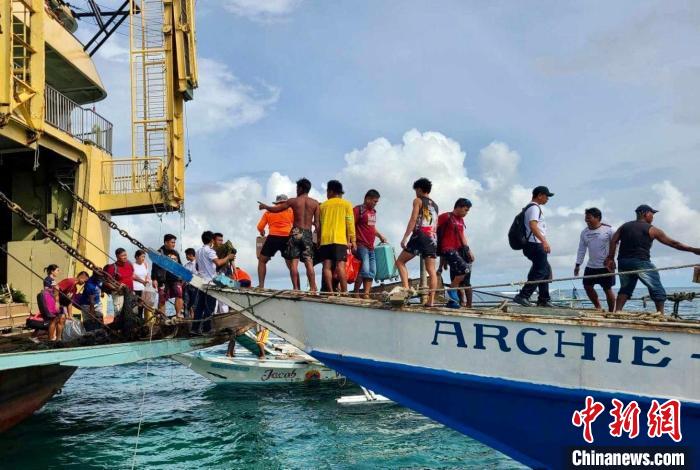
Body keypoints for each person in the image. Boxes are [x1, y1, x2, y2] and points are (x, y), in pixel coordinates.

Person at [606, 204, 700, 313]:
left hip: (623, 262)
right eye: (652, 214)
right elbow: (674, 243)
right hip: (641, 262)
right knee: (656, 286)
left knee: (625, 288)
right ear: (645, 214)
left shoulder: (624, 226)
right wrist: (693, 250)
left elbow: (613, 241)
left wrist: (610, 258)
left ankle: (617, 311)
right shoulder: (652, 229)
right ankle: (660, 313)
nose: (653, 217)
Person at [259, 178, 320, 292]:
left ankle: (296, 288)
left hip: (295, 232)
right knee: (308, 262)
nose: (296, 190)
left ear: (300, 188)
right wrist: (319, 239)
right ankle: (313, 288)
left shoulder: (293, 201)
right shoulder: (315, 203)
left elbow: (277, 209)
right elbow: (317, 224)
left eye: (297, 188)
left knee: (294, 262)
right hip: (307, 233)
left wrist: (265, 206)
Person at [395, 178, 439, 306]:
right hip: (432, 238)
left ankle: (406, 289)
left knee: (400, 261)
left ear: (419, 189)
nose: (415, 193)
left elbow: (413, 219)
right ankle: (431, 301)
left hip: (420, 236)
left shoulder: (418, 201)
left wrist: (405, 237)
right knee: (432, 270)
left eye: (416, 190)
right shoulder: (435, 205)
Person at [513, 186, 554, 308]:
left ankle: (544, 299)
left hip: (532, 244)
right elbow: (533, 226)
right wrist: (544, 241)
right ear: (540, 195)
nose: (547, 199)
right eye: (546, 196)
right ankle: (523, 296)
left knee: (544, 270)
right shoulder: (534, 208)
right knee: (541, 270)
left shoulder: (531, 207)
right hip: (535, 244)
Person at [318, 180, 356, 293]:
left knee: (326, 267)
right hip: (340, 240)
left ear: (331, 191)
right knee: (340, 266)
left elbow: (319, 224)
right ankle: (344, 292)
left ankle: (330, 291)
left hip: (325, 240)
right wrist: (353, 240)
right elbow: (350, 223)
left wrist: (319, 239)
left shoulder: (322, 206)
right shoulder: (346, 204)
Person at [194, 230, 236, 333]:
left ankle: (194, 329)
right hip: (210, 282)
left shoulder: (198, 251)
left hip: (201, 282)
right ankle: (206, 329)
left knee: (200, 307)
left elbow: (198, 267)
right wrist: (228, 257)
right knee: (210, 307)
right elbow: (218, 263)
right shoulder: (210, 251)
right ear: (212, 240)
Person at [574, 208, 615, 311]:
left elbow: (616, 245)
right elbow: (581, 249)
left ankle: (611, 312)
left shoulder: (609, 230)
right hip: (591, 266)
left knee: (607, 289)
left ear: (597, 218)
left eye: (589, 218)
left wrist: (611, 259)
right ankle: (598, 307)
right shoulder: (584, 232)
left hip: (606, 266)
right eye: (586, 218)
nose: (586, 220)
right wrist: (578, 264)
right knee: (587, 286)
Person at [438, 198, 475, 308]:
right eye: (465, 210)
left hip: (458, 251)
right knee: (464, 269)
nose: (466, 213)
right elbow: (434, 228)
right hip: (447, 248)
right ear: (458, 207)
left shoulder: (461, 220)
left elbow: (462, 236)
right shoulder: (445, 216)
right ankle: (452, 291)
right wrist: (442, 259)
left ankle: (453, 301)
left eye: (468, 211)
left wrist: (468, 250)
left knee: (462, 274)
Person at [353, 189, 388, 298]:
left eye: (376, 202)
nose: (375, 204)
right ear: (367, 199)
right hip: (361, 245)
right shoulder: (358, 210)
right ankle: (356, 292)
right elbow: (350, 226)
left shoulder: (373, 212)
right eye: (374, 201)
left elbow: (372, 228)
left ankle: (366, 294)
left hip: (371, 246)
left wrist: (380, 235)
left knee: (372, 270)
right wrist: (352, 242)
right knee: (364, 269)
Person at [257, 194, 294, 288]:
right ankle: (296, 288)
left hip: (273, 237)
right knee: (291, 265)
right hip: (287, 237)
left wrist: (262, 232)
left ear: (276, 203)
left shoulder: (269, 211)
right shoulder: (290, 210)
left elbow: (260, 226)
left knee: (262, 261)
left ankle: (261, 286)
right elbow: (296, 224)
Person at [151, 234, 184, 317]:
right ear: (166, 242)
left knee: (179, 294)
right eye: (172, 242)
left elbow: (180, 265)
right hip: (163, 280)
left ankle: (178, 315)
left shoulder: (175, 253)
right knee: (162, 298)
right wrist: (154, 279)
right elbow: (154, 266)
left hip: (175, 279)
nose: (174, 244)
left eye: (174, 243)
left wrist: (183, 276)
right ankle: (162, 317)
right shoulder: (159, 252)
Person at [104, 248, 134, 315]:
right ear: (117, 257)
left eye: (125, 255)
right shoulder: (112, 268)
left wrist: (142, 281)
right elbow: (107, 282)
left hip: (129, 293)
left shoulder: (129, 264)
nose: (125, 257)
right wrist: (116, 288)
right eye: (122, 255)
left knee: (129, 313)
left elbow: (132, 275)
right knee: (119, 313)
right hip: (118, 294)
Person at [43, 265, 61, 340]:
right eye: (57, 270)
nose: (58, 272)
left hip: (54, 300)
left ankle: (53, 336)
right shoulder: (48, 279)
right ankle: (50, 338)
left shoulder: (52, 280)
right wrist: (55, 289)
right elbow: (46, 289)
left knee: (56, 319)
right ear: (52, 271)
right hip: (50, 300)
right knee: (53, 319)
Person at [132, 250, 150, 317]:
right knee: (135, 306)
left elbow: (147, 274)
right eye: (142, 257)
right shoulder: (133, 265)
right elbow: (133, 276)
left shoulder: (145, 264)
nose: (143, 258)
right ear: (137, 257)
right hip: (135, 288)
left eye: (144, 257)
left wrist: (148, 280)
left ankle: (140, 319)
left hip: (143, 289)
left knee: (141, 306)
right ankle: (134, 320)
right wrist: (142, 281)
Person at [183, 247, 197, 319]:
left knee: (195, 303)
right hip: (187, 286)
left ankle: (195, 318)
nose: (186, 257)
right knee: (186, 303)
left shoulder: (198, 264)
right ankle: (186, 318)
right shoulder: (186, 265)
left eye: (187, 255)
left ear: (191, 255)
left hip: (196, 286)